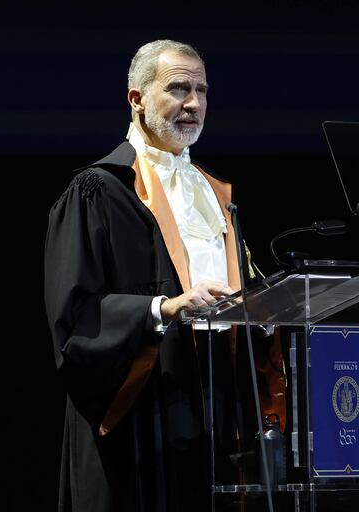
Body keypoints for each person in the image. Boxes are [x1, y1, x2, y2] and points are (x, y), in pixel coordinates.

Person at [44, 40, 283, 511]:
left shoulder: (217, 196)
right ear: (136, 99)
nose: (193, 103)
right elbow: (74, 321)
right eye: (177, 88)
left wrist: (269, 312)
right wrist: (164, 307)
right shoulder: (97, 191)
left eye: (201, 90)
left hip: (215, 416)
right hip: (139, 416)